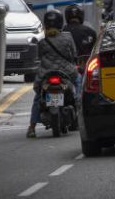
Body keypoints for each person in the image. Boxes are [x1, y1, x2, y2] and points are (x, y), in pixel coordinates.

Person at [27, 10, 80, 138]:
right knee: (78, 85)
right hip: (66, 72)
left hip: (45, 73)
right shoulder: (68, 37)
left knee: (38, 97)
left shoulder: (42, 39)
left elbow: (39, 57)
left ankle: (32, 127)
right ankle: (79, 111)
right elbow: (73, 54)